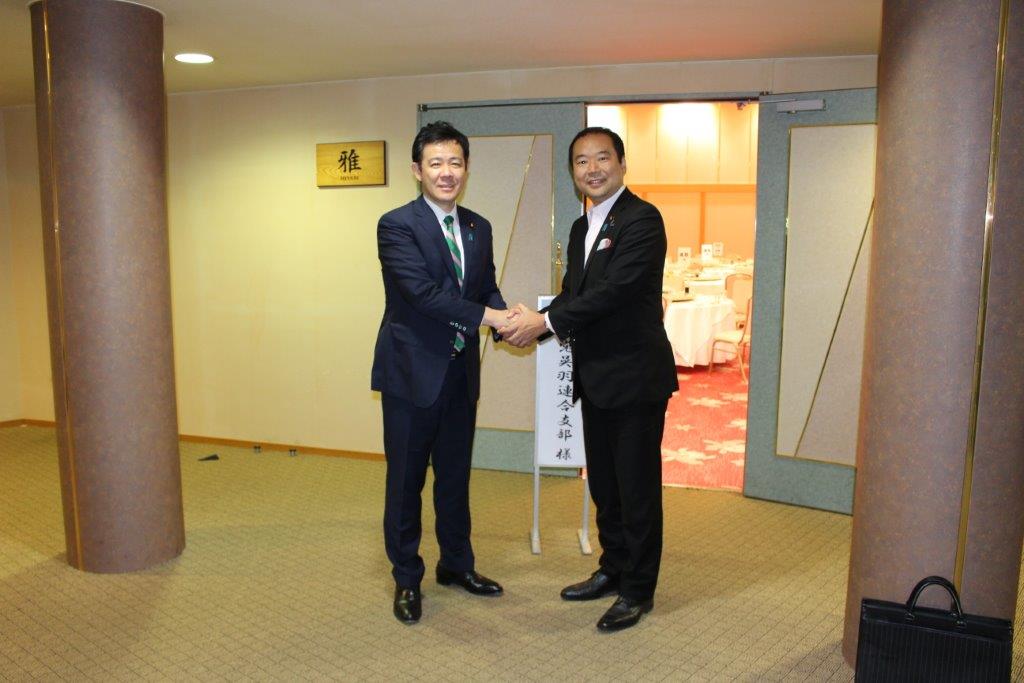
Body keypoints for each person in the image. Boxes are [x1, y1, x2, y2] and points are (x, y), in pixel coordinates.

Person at [500, 126, 678, 632]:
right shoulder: (581, 228)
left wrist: (544, 323)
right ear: (573, 171)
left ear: (622, 163)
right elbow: (575, 293)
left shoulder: (642, 219)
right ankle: (612, 568)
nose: (592, 169)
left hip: (635, 377)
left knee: (636, 488)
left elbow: (615, 291)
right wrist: (524, 324)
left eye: (602, 158)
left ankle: (637, 589)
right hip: (595, 376)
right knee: (604, 483)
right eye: (582, 161)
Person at [372, 121, 509, 624]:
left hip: (459, 373)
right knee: (405, 482)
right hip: (411, 375)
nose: (446, 172)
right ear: (417, 170)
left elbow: (484, 288)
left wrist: (509, 321)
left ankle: (456, 564)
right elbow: (423, 295)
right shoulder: (397, 225)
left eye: (455, 162)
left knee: (454, 478)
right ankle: (407, 578)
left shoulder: (478, 227)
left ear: (466, 168)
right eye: (436, 163)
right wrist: (491, 318)